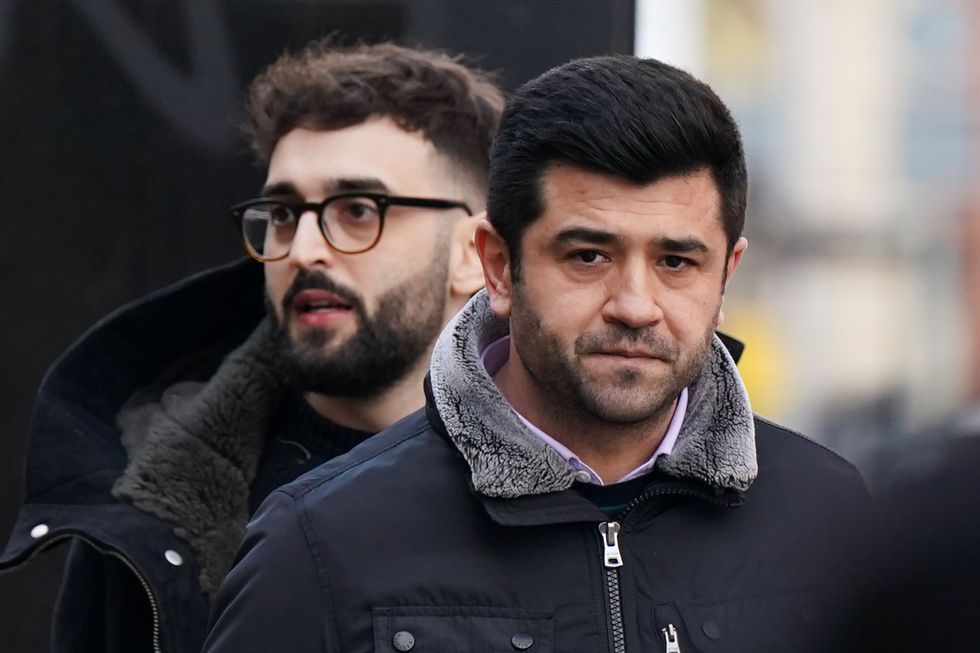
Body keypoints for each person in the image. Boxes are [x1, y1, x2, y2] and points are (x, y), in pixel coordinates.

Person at [204, 55, 870, 653]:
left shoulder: (831, 518)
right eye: (588, 256)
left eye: (675, 261)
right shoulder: (322, 543)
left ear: (727, 273)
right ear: (499, 265)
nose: (634, 304)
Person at [0, 40, 503, 653]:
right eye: (284, 213)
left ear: (475, 254)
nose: (302, 250)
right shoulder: (147, 500)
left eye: (357, 210)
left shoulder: (569, 480)